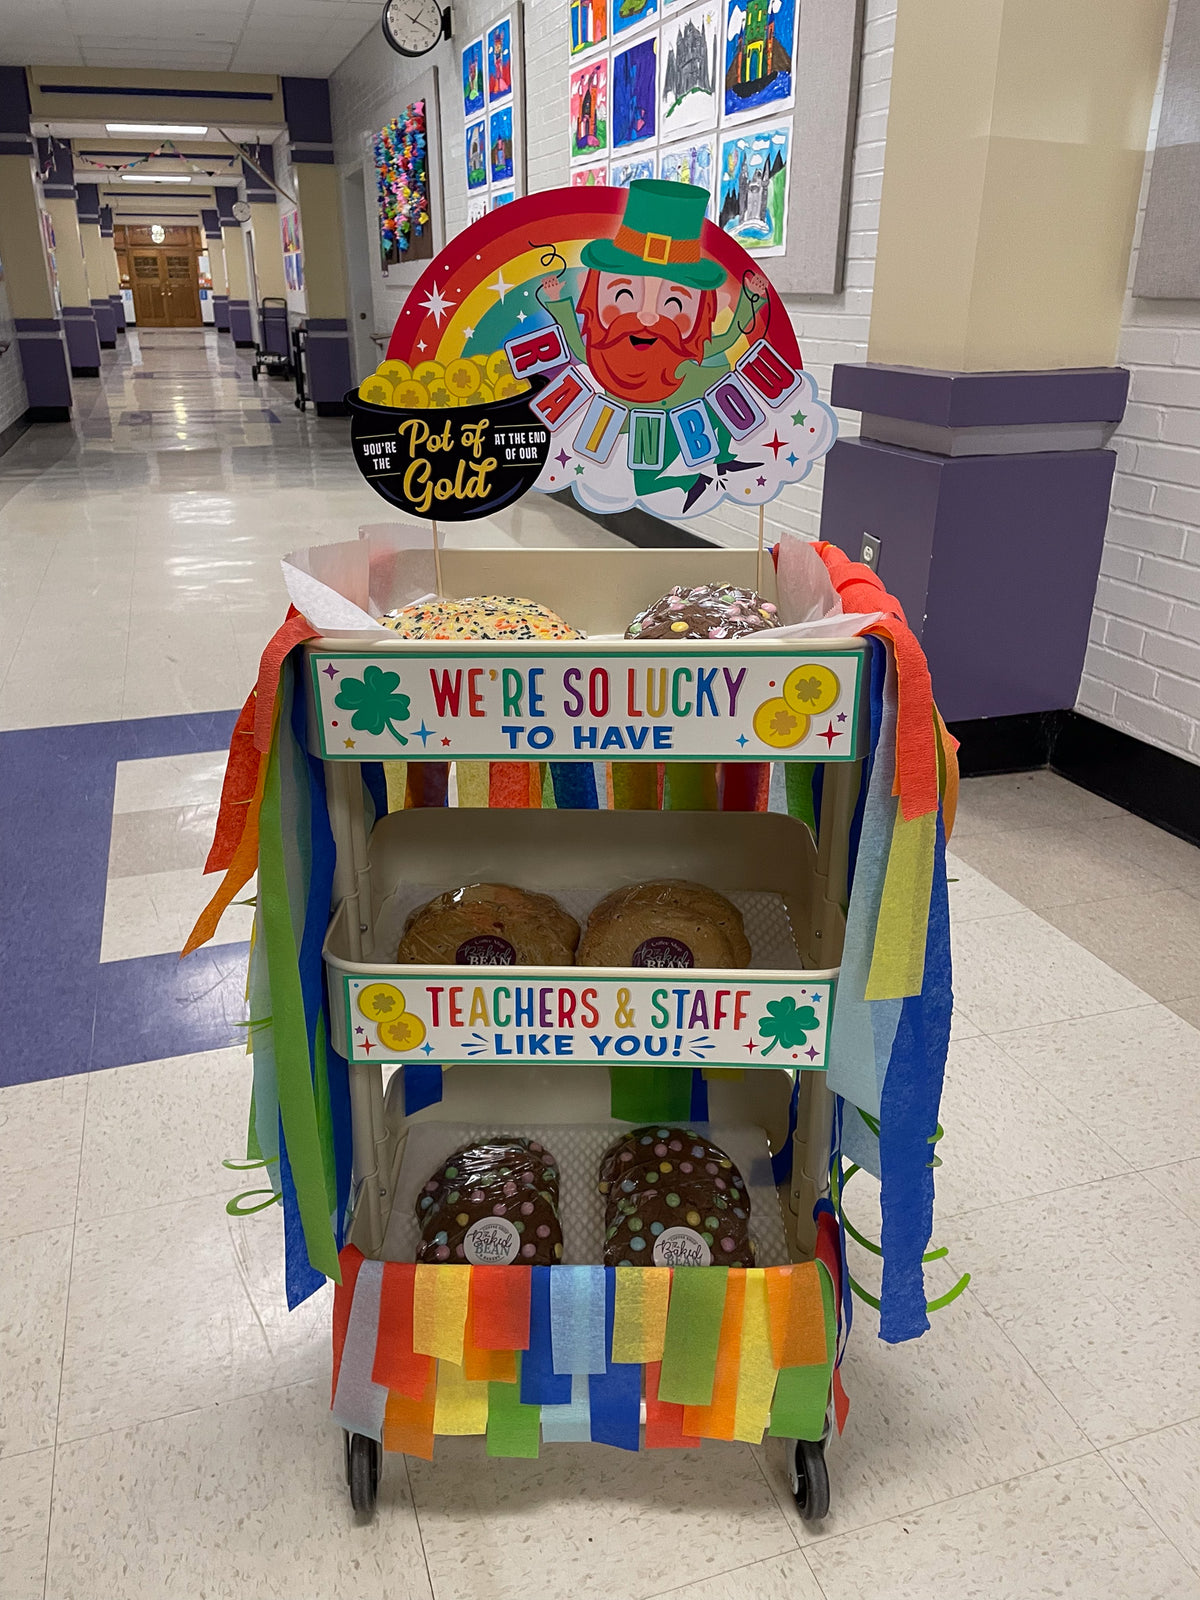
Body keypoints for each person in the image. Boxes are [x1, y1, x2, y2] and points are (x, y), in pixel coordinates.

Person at [539, 178, 767, 406]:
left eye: (675, 303)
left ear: (708, 307)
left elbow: (728, 339)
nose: (647, 317)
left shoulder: (690, 355)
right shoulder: (597, 351)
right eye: (623, 295)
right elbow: (576, 344)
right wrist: (556, 300)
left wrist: (751, 300)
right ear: (587, 288)